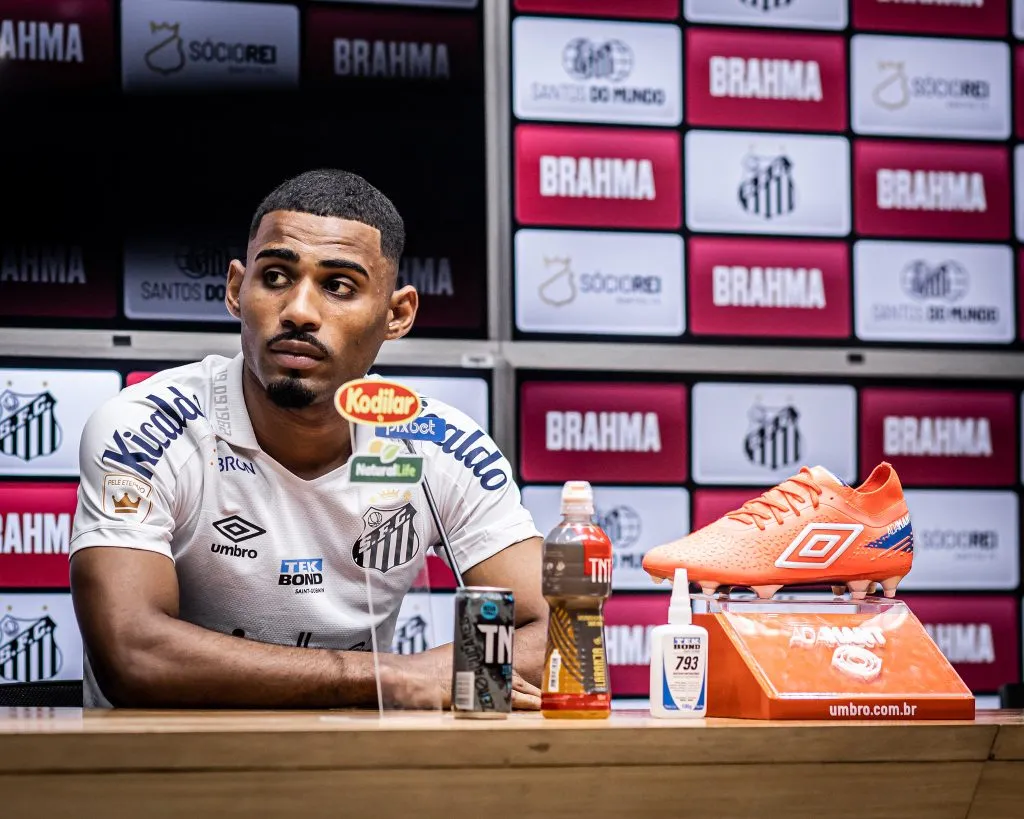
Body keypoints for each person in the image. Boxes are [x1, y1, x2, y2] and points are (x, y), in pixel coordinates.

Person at [69, 169, 546, 709]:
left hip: (351, 770)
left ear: (397, 314)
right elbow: (132, 653)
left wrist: (430, 676)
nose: (298, 311)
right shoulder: (146, 427)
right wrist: (386, 679)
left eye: (339, 286)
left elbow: (549, 630)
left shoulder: (441, 446)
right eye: (274, 277)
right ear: (235, 289)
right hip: (167, 772)